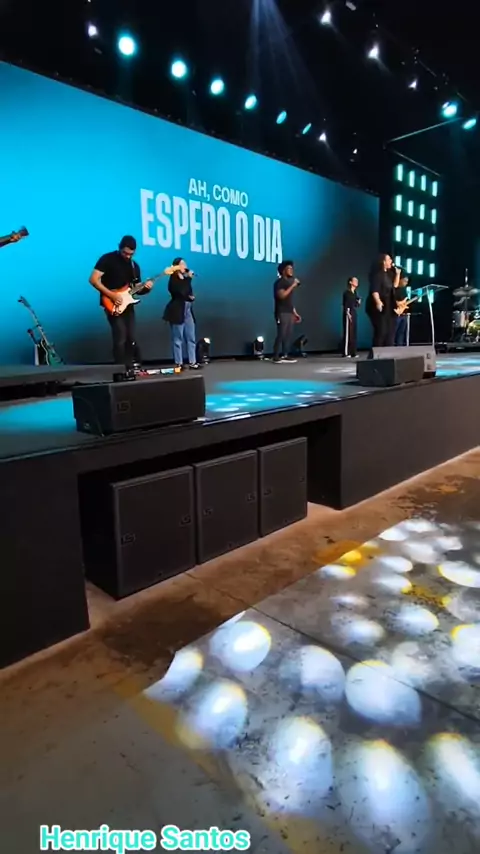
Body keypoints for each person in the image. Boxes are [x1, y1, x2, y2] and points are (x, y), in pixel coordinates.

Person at [89, 235, 153, 369]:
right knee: (120, 336)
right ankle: (119, 369)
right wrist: (111, 295)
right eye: (125, 253)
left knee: (131, 337)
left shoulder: (134, 266)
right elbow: (93, 279)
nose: (127, 256)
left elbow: (135, 290)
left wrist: (146, 288)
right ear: (119, 247)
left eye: (131, 254)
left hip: (127, 305)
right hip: (111, 303)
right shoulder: (107, 259)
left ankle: (128, 368)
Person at [163, 258, 200, 370]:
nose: (185, 266)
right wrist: (188, 279)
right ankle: (179, 363)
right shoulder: (173, 280)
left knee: (191, 337)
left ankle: (192, 362)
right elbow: (180, 292)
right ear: (176, 266)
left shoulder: (185, 279)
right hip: (177, 310)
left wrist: (191, 297)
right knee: (178, 338)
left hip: (188, 309)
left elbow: (188, 292)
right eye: (182, 264)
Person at [366, 253, 400, 349]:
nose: (391, 261)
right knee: (381, 331)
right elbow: (374, 290)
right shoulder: (378, 275)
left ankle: (388, 352)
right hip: (380, 305)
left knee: (390, 331)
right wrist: (378, 302)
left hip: (389, 305)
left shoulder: (389, 275)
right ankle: (377, 353)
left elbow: (394, 286)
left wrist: (398, 274)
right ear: (383, 262)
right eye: (389, 259)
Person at [273, 260, 301, 363]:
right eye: (289, 269)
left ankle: (285, 354)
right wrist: (293, 286)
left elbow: (289, 301)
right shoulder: (280, 283)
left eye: (292, 269)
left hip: (289, 312)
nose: (291, 270)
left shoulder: (288, 283)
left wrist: (295, 313)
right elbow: (282, 296)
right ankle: (276, 356)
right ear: (283, 271)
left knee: (288, 335)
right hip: (281, 312)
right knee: (281, 333)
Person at [342, 277, 361, 357]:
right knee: (348, 333)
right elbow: (345, 304)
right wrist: (347, 313)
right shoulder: (347, 293)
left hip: (353, 312)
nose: (356, 282)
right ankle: (346, 352)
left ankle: (353, 352)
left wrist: (358, 302)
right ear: (350, 282)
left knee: (353, 333)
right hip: (348, 312)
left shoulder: (355, 292)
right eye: (355, 281)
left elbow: (356, 305)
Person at [394, 273, 410, 346]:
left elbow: (405, 301)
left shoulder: (404, 290)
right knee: (393, 332)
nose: (406, 283)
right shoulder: (394, 289)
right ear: (400, 280)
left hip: (404, 314)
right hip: (396, 313)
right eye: (404, 281)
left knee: (401, 333)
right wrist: (399, 304)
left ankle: (399, 348)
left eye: (407, 282)